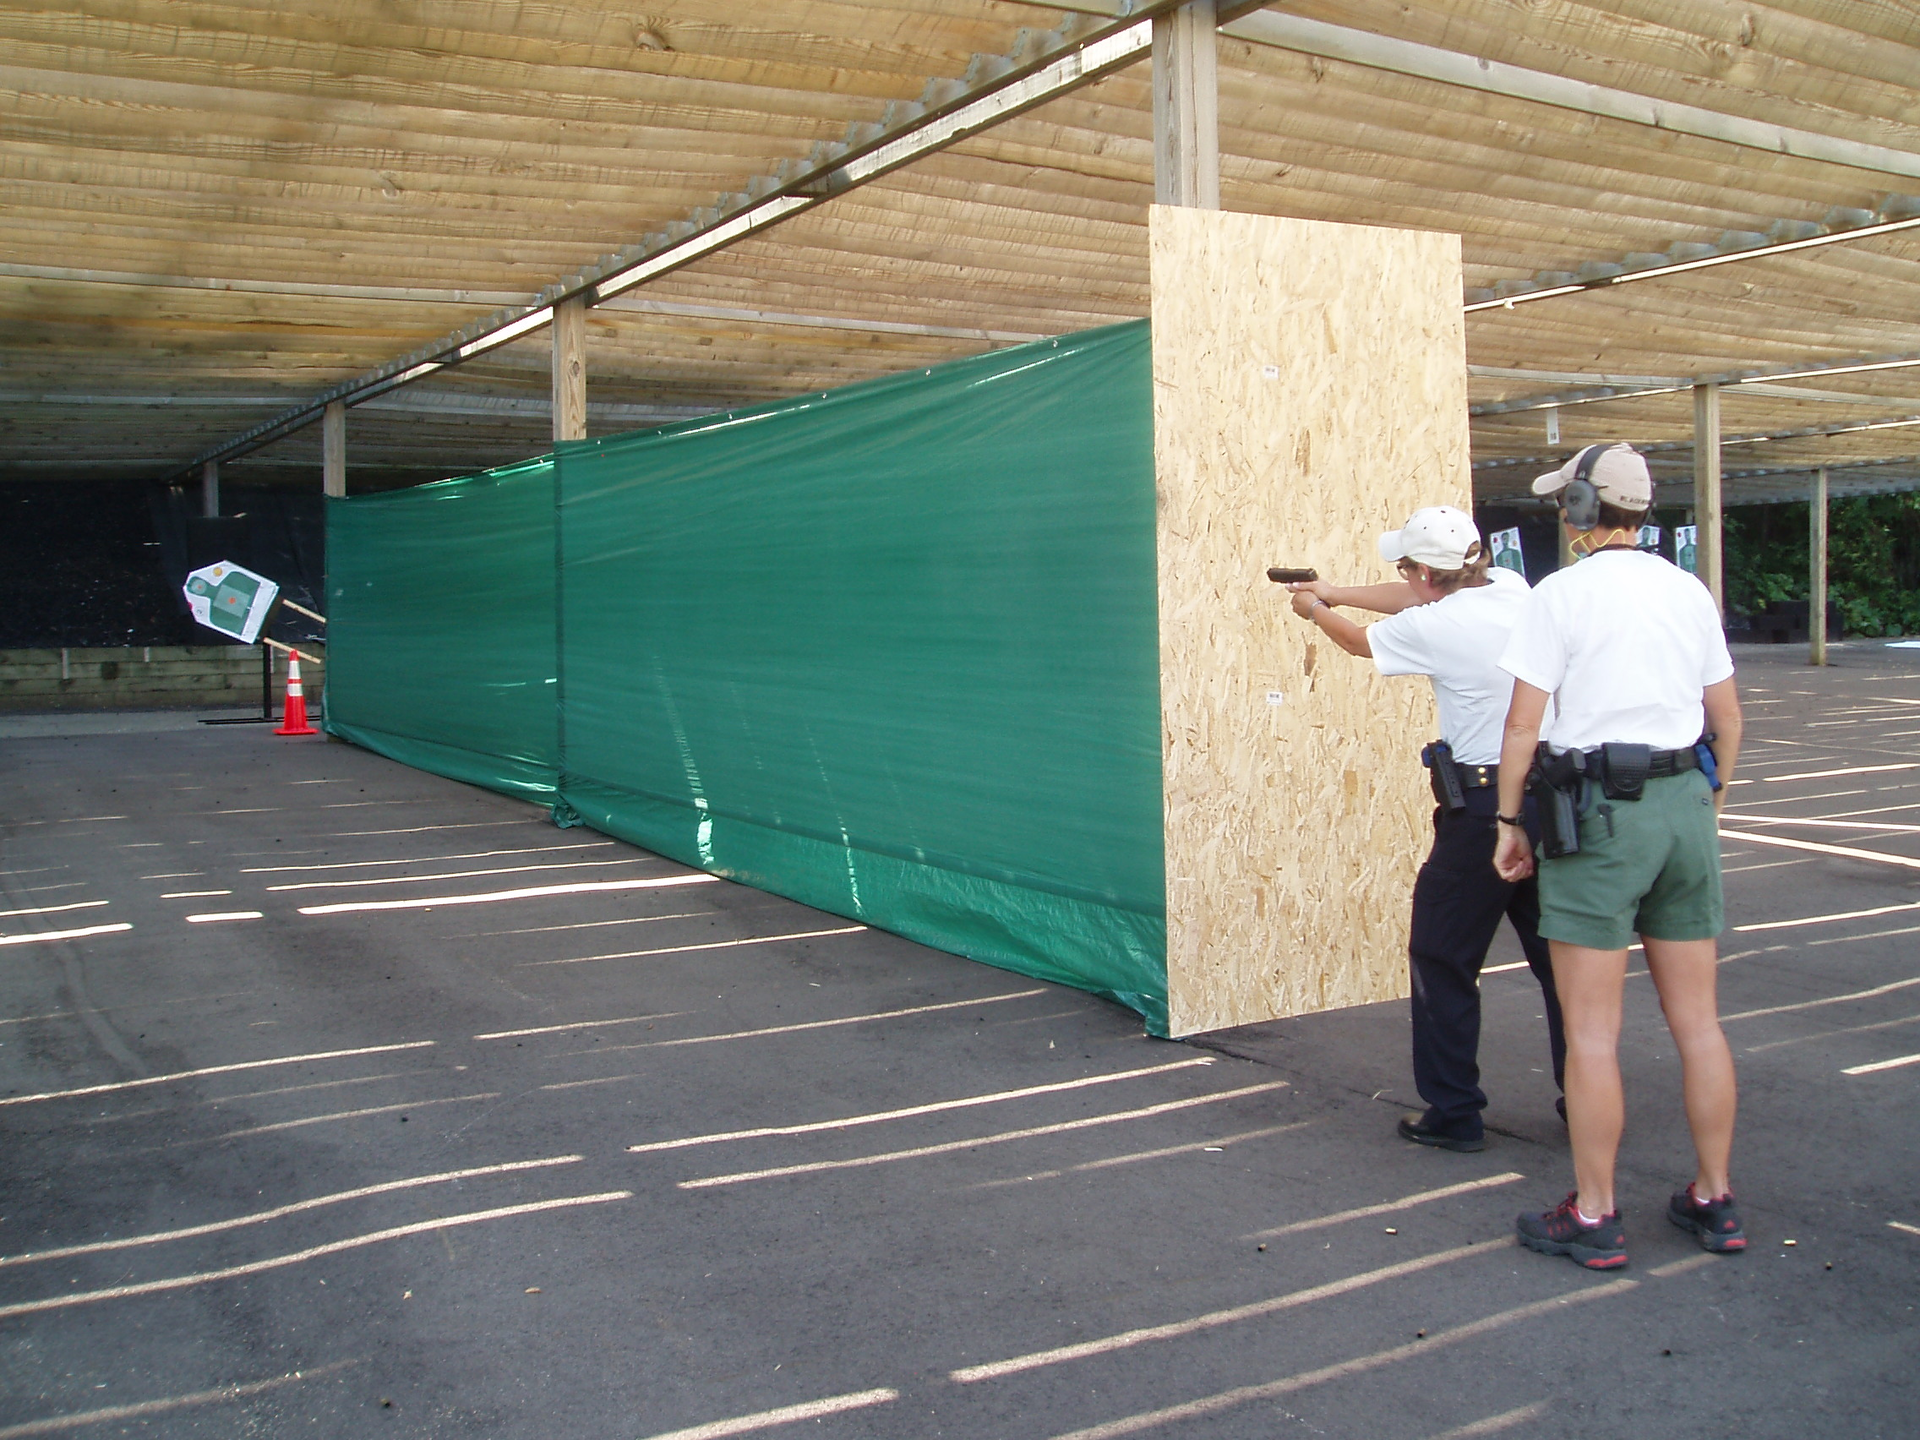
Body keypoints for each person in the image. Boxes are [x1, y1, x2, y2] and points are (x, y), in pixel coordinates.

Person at [1492, 443, 1745, 1271]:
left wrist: (1508, 820)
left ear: (1581, 511)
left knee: (1592, 1035)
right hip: (1682, 806)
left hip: (1598, 813)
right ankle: (1714, 1198)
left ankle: (1596, 1213)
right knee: (1699, 1025)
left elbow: (1524, 725)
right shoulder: (1688, 592)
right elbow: (1727, 721)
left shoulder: (1559, 596)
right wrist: (1705, 802)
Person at [1289, 505, 1566, 1154]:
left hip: (1481, 810)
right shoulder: (1513, 589)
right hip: (1550, 798)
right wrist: (1332, 588)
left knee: (1442, 956)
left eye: (1407, 566)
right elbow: (1410, 599)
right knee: (1560, 960)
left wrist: (1315, 612)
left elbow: (1361, 641)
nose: (1404, 578)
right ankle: (1585, 1098)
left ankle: (1453, 1109)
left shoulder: (1437, 625)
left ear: (1424, 572)